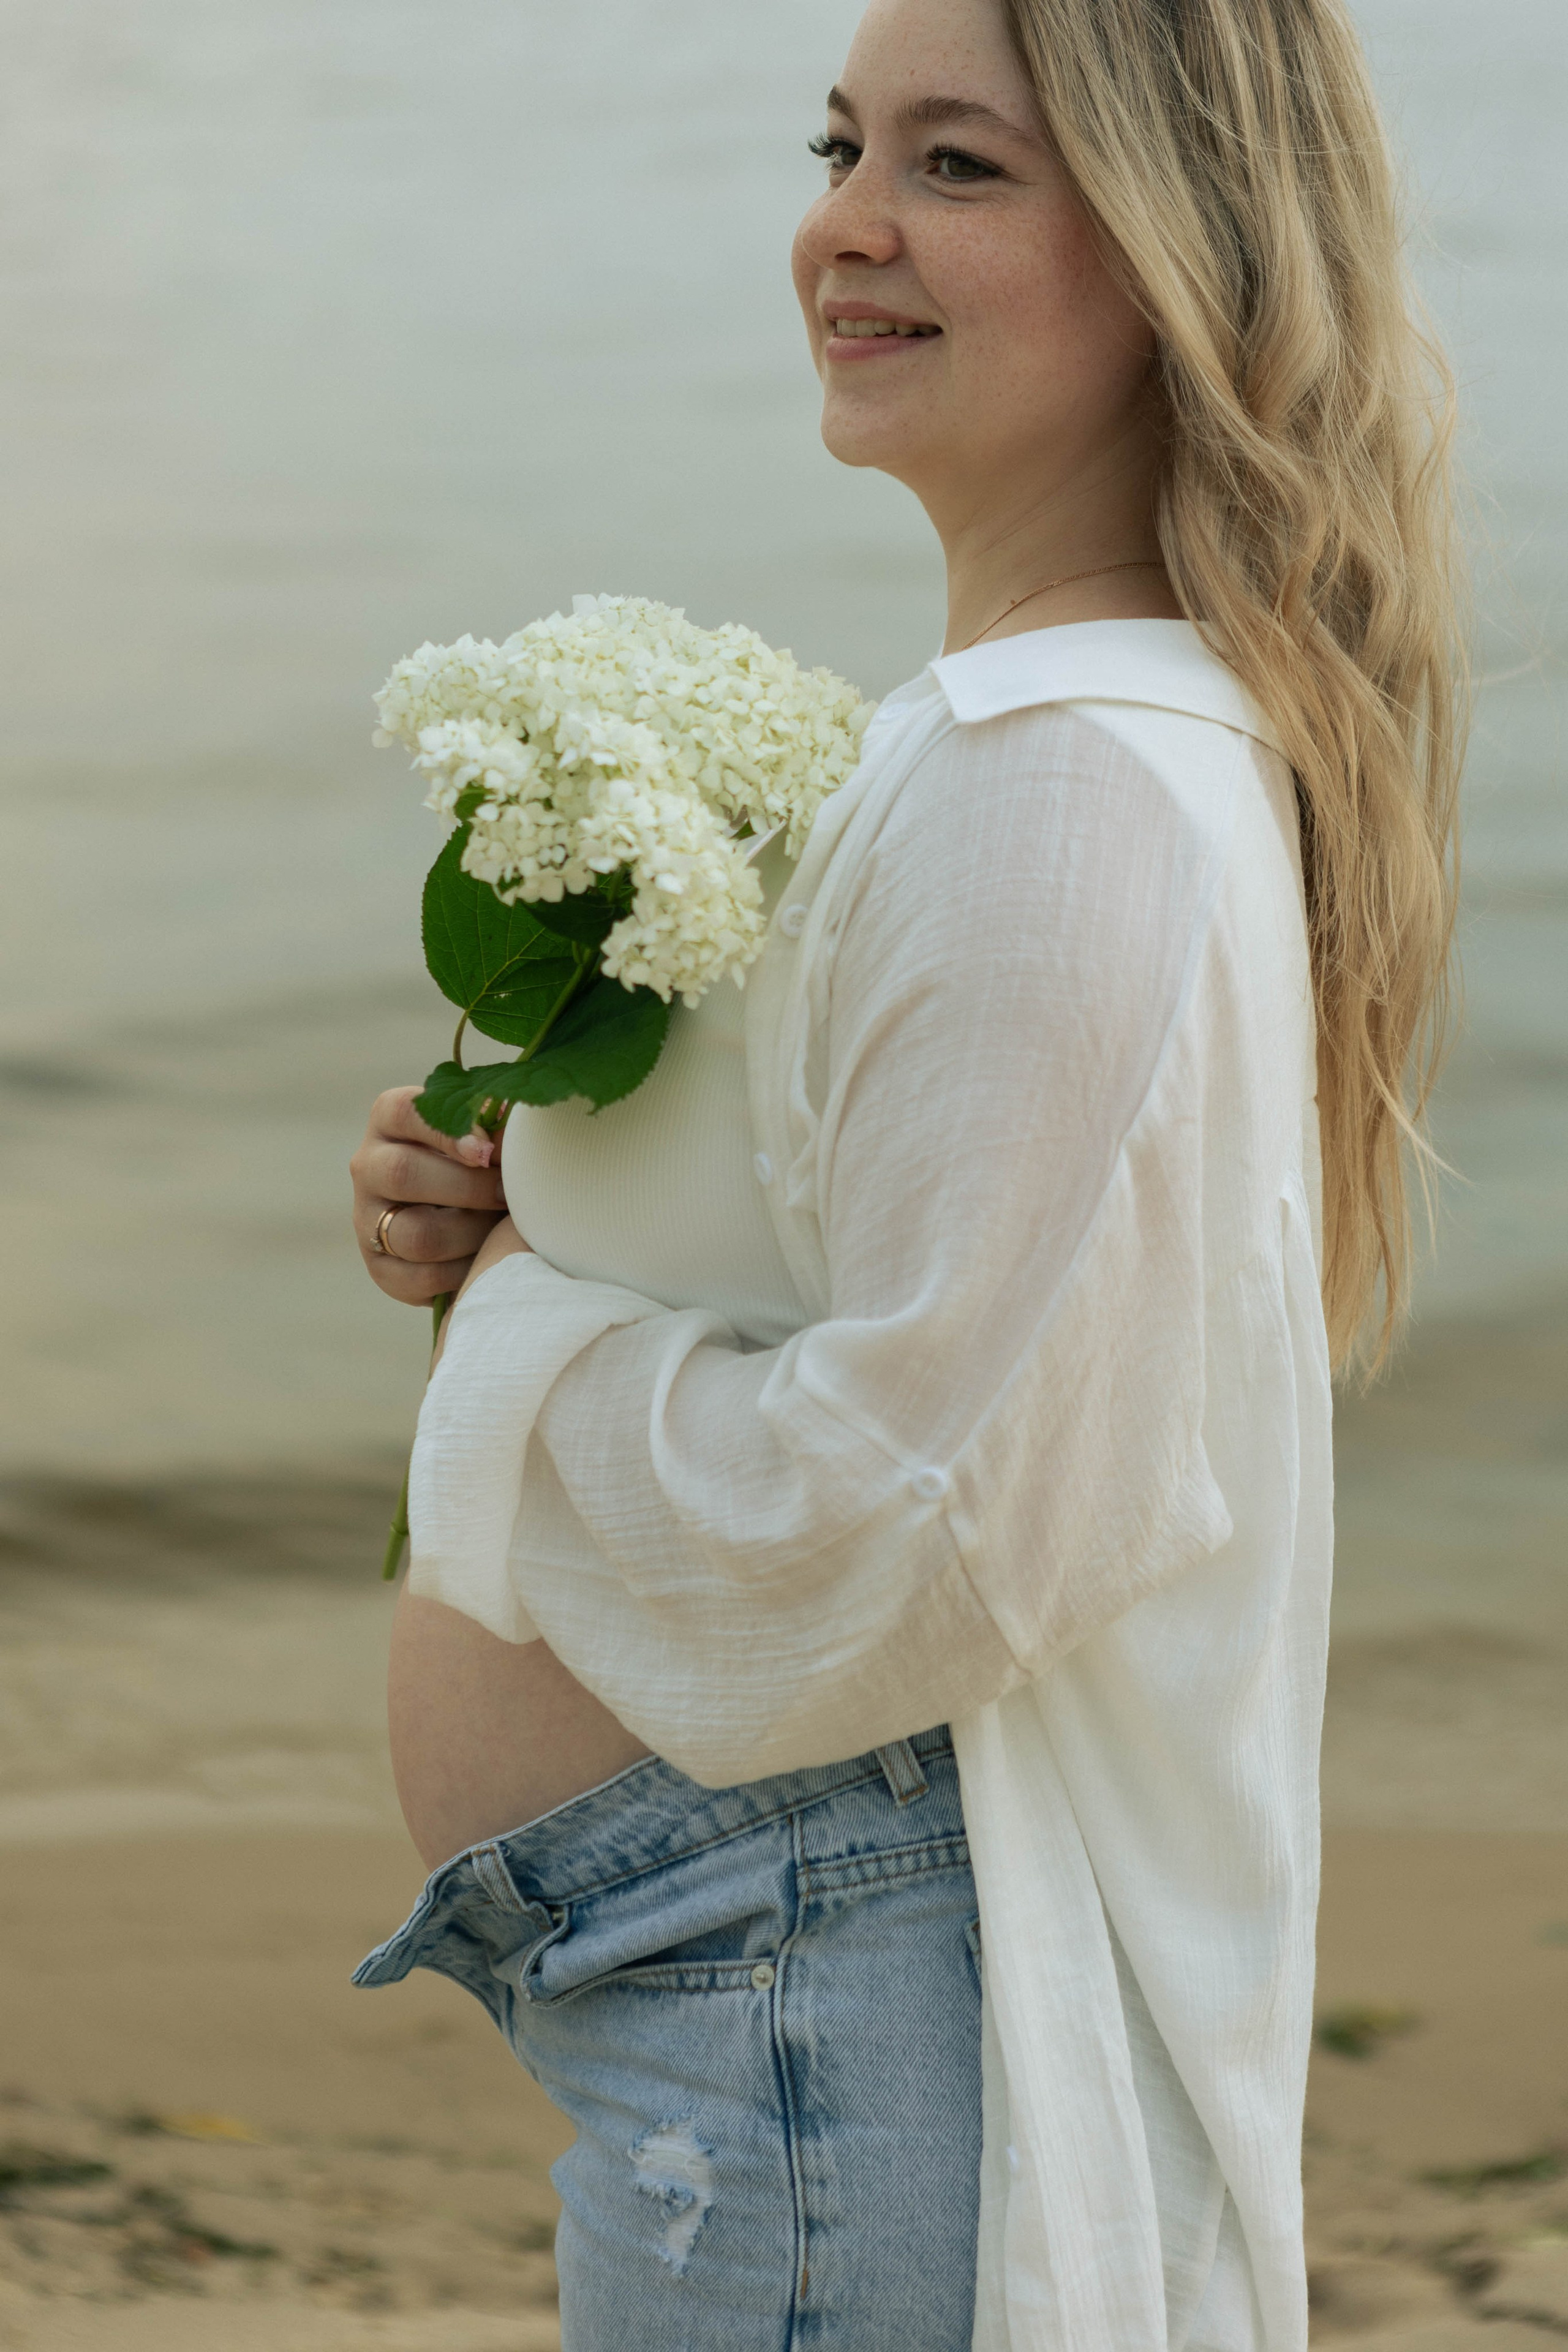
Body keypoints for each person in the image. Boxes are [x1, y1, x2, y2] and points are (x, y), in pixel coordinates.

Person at [347, 0, 1463, 2343]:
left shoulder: (1061, 786)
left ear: (1188, 258)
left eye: (962, 166)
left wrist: (521, 1355)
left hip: (808, 1999)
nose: (845, 223)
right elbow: (923, 1333)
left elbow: (924, 1517)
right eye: (844, 141)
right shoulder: (1041, 748)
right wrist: (535, 1202)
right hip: (750, 1989)